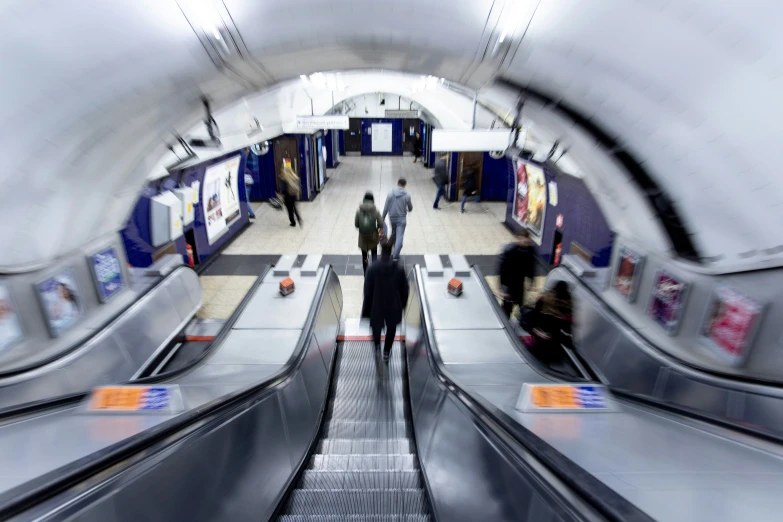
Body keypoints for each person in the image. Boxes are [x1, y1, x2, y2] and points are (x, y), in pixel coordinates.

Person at [361, 236, 409, 363]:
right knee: (391, 329)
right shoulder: (399, 269)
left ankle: (377, 348)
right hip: (393, 307)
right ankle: (387, 352)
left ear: (381, 250)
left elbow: (367, 292)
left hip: (376, 306)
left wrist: (366, 309)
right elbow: (405, 290)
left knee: (376, 328)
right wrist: (402, 305)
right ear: (391, 250)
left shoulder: (372, 269)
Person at [530, 281, 573, 363]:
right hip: (556, 324)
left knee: (542, 342)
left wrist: (534, 324)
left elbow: (537, 308)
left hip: (544, 321)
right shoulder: (567, 299)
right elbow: (568, 315)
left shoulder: (547, 295)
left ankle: (539, 359)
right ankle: (548, 359)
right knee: (550, 342)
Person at [498, 229, 535, 322]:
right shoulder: (510, 251)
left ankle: (519, 322)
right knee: (507, 308)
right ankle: (505, 322)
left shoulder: (530, 250)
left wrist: (532, 281)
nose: (526, 242)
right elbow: (502, 270)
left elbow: (531, 266)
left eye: (527, 240)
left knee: (521, 305)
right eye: (524, 239)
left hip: (520, 283)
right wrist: (501, 288)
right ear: (518, 238)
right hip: (509, 284)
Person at [382, 178, 413, 262]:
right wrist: (407, 209)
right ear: (405, 185)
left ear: (397, 184)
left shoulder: (390, 194)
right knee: (400, 236)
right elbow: (410, 208)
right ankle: (396, 255)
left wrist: (382, 218)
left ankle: (395, 247)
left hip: (392, 217)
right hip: (402, 218)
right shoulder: (407, 195)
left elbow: (386, 207)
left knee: (394, 233)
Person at [355, 191, 383, 274]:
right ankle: (374, 274)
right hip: (373, 236)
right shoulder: (375, 210)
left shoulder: (359, 211)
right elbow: (381, 224)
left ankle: (366, 276)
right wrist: (377, 230)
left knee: (364, 257)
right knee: (374, 255)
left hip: (362, 237)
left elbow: (356, 225)